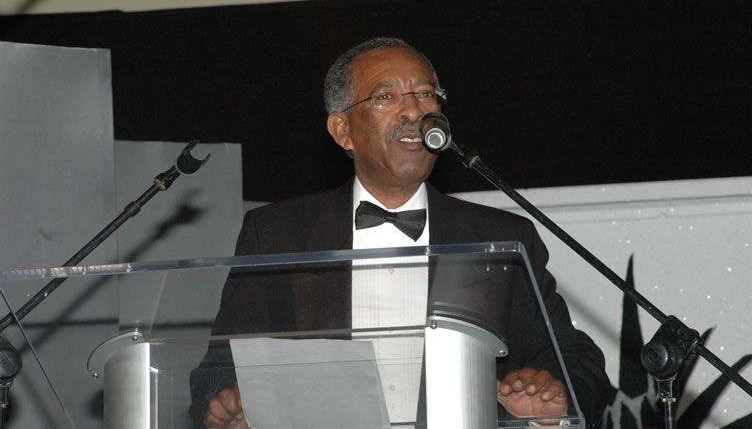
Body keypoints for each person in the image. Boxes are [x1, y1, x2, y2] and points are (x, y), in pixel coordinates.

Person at [190, 37, 610, 428]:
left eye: (425, 94)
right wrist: (225, 404)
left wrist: (555, 396)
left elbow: (575, 359)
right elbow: (217, 368)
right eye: (386, 97)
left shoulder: (498, 237)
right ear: (343, 131)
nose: (413, 112)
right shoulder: (278, 234)